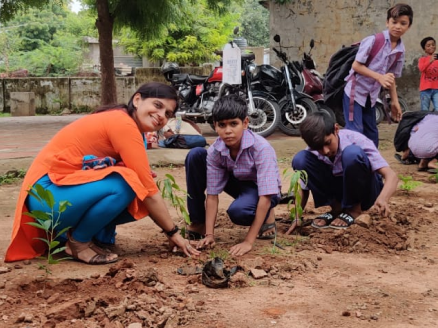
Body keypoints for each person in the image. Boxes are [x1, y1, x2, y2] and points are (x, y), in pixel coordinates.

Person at [5, 82, 200, 264]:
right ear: (137, 100)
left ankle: (88, 237)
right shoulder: (123, 124)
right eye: (157, 105)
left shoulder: (131, 127)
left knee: (134, 188)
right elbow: (146, 188)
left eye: (167, 113)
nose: (161, 115)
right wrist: (173, 233)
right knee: (127, 183)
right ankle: (78, 243)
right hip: (46, 197)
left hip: (59, 194)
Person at [184, 94, 281, 256]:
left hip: (263, 191)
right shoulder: (216, 150)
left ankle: (267, 214)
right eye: (222, 125)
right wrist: (210, 235)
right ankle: (198, 223)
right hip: (238, 182)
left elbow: (266, 195)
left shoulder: (261, 148)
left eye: (233, 124)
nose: (228, 131)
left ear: (245, 123)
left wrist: (248, 242)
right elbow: (212, 195)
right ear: (215, 126)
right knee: (196, 155)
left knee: (239, 212)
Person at [289, 112, 398, 232]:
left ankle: (354, 210)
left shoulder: (357, 141)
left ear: (336, 129)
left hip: (366, 193)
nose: (325, 151)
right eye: (318, 148)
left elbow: (391, 176)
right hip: (340, 194)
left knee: (352, 154)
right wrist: (297, 216)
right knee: (301, 159)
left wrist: (383, 198)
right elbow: (304, 187)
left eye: (327, 143)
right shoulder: (312, 151)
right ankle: (337, 209)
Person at [343, 3, 413, 147]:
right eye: (394, 22)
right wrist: (379, 77)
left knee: (372, 134)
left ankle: (372, 168)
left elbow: (391, 76)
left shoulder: (400, 50)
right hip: (354, 92)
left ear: (408, 26)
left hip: (371, 96)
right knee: (355, 132)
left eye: (403, 23)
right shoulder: (374, 40)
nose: (398, 26)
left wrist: (395, 101)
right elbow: (356, 66)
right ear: (387, 22)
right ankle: (350, 165)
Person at [418, 36, 438, 111]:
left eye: (433, 44)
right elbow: (421, 68)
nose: (431, 47)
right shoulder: (422, 59)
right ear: (424, 49)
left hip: (437, 89)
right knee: (424, 109)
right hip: (425, 89)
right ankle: (425, 122)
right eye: (428, 45)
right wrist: (430, 60)